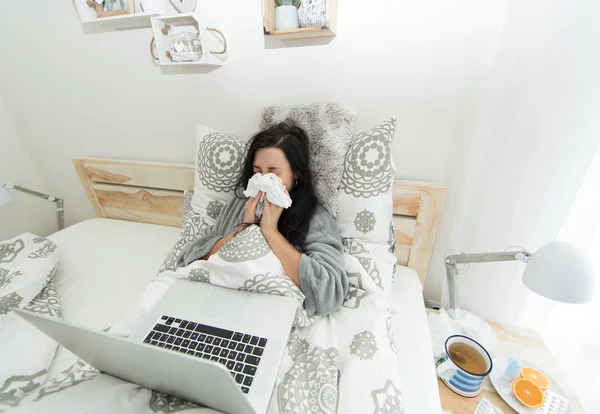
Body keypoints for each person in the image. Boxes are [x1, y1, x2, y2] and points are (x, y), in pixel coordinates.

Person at [177, 123, 348, 316]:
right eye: (257, 172)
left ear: (296, 173)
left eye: (274, 173)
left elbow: (329, 293)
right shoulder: (241, 203)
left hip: (270, 309)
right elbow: (192, 258)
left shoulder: (316, 218)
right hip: (220, 297)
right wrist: (245, 227)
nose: (264, 180)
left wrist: (271, 232)